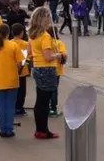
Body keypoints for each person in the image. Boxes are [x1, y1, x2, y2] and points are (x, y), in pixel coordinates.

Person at [27, 7, 62, 139]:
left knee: (40, 101)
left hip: (37, 68)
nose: (50, 19)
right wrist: (57, 55)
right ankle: (43, 130)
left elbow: (29, 52)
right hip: (47, 69)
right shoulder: (45, 36)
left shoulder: (33, 34)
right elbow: (47, 57)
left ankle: (40, 129)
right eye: (48, 16)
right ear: (43, 18)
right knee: (44, 101)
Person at [11, 23, 29, 116]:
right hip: (22, 70)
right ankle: (19, 108)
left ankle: (13, 107)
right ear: (22, 33)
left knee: (13, 89)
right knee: (22, 91)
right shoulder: (26, 44)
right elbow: (30, 56)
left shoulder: (9, 43)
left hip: (11, 69)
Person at [48, 26, 66, 118]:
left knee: (46, 89)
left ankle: (47, 107)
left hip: (46, 68)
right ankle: (53, 108)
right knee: (54, 90)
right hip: (56, 69)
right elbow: (64, 55)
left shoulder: (46, 42)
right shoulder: (58, 43)